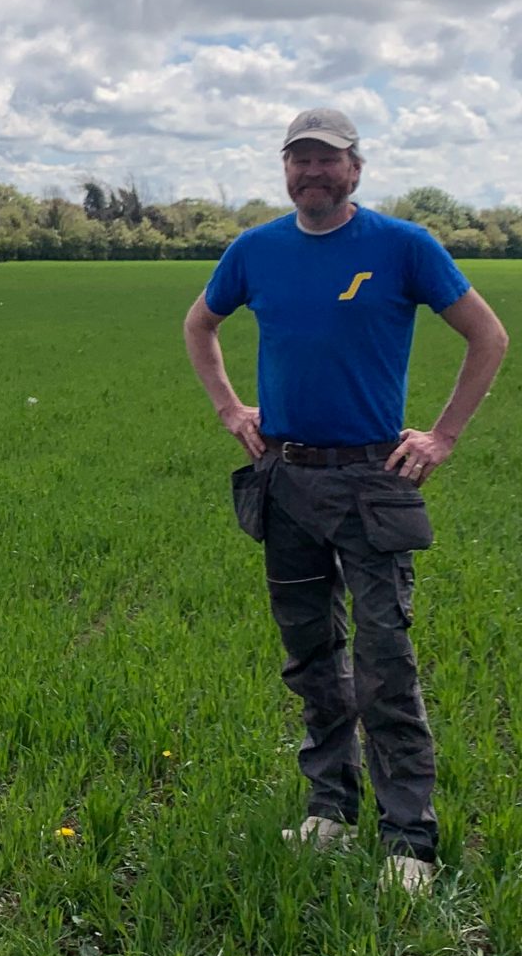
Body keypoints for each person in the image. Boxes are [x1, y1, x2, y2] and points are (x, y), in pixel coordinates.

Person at [183, 108, 508, 894]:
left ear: (355, 170)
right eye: (299, 160)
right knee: (310, 658)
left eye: (327, 160)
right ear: (285, 171)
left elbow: (488, 336)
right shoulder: (255, 251)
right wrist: (233, 410)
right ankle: (330, 808)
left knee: (385, 661)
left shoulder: (402, 247)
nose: (312, 172)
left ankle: (409, 838)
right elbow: (201, 325)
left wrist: (445, 436)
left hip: (373, 482)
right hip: (286, 478)